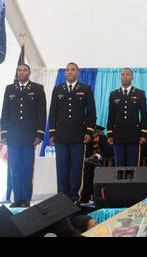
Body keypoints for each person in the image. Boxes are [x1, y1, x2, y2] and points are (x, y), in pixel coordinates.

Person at [49, 62, 96, 203]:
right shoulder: (58, 89)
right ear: (65, 73)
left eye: (73, 70)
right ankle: (62, 197)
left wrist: (89, 130)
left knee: (76, 168)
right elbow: (53, 113)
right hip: (61, 135)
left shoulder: (85, 89)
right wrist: (52, 133)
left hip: (78, 135)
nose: (70, 72)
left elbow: (91, 113)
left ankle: (75, 197)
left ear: (78, 72)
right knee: (61, 167)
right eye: (68, 70)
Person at [0, 64, 46, 208]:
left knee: (26, 169)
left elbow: (41, 112)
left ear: (29, 72)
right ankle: (17, 198)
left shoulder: (37, 89)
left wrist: (39, 133)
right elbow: (5, 112)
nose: (21, 72)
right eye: (19, 70)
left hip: (29, 136)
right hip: (13, 136)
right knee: (14, 168)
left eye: (24, 70)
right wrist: (4, 133)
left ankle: (25, 198)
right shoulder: (10, 89)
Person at [106, 68, 147, 167]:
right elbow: (111, 115)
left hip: (134, 135)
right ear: (120, 77)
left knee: (134, 166)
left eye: (127, 74)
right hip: (118, 135)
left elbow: (144, 115)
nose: (125, 77)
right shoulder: (114, 94)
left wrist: (144, 134)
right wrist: (110, 133)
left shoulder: (140, 94)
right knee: (119, 166)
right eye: (123, 74)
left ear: (132, 77)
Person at [79, 125, 113, 204]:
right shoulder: (83, 138)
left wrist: (96, 156)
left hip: (99, 162)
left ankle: (96, 197)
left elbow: (109, 151)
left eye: (97, 132)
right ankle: (83, 197)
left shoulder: (103, 138)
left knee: (92, 169)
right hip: (84, 162)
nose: (97, 133)